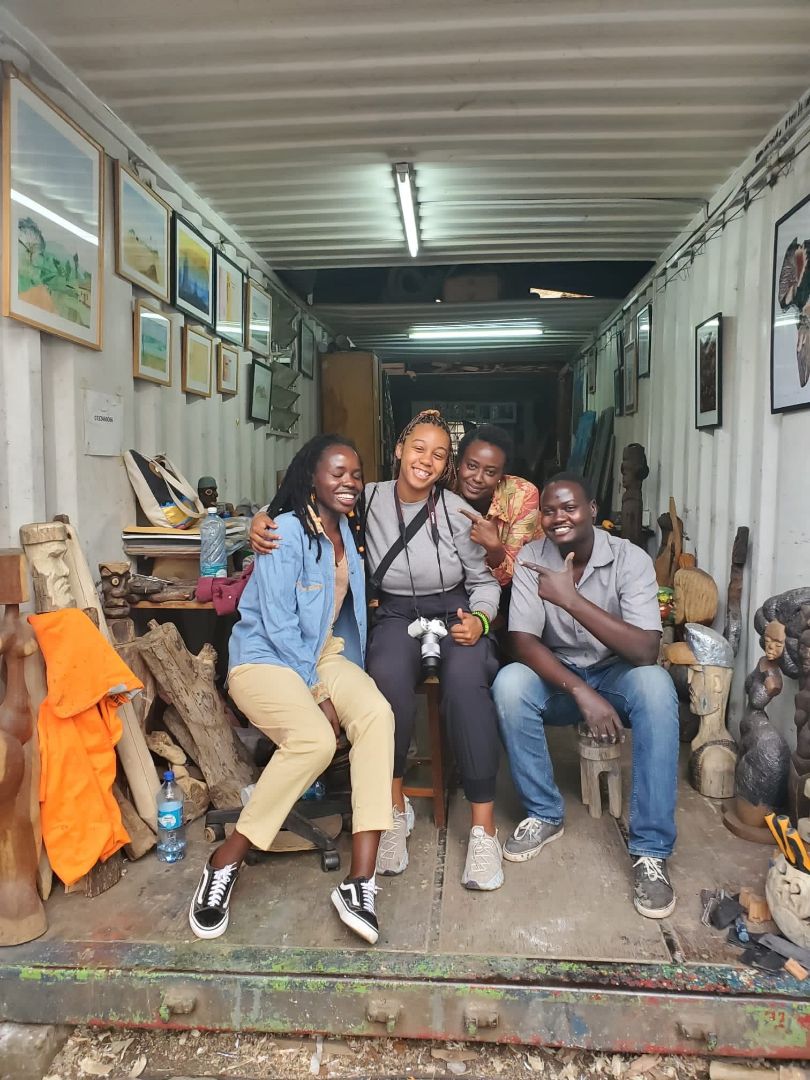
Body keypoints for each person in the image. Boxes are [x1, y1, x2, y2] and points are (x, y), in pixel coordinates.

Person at [250, 411, 504, 891]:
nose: (426, 461)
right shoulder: (364, 498)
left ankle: (483, 828)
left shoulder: (455, 511)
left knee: (466, 688)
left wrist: (480, 619)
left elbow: (484, 581)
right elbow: (301, 500)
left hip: (453, 612)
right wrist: (259, 520)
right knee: (384, 683)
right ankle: (391, 808)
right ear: (399, 451)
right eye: (418, 449)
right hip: (393, 614)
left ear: (446, 467)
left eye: (439, 455)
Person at [189, 435, 395, 945]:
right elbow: (280, 626)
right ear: (311, 477)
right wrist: (319, 694)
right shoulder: (282, 531)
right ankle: (225, 861)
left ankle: (360, 880)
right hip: (264, 659)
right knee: (315, 739)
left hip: (319, 653)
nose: (348, 482)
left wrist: (336, 684)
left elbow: (333, 620)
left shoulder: (349, 528)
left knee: (376, 713)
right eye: (337, 473)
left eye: (355, 473)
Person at [491, 471, 679, 919]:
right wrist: (577, 689)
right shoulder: (532, 558)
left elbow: (646, 650)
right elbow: (521, 641)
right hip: (562, 678)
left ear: (593, 509)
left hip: (619, 674)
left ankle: (650, 850)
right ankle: (544, 813)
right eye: (550, 510)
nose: (559, 518)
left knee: (657, 687)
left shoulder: (630, 559)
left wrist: (571, 599)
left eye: (570, 507)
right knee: (510, 683)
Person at [454, 424, 542, 588]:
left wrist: (494, 547)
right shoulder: (445, 490)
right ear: (459, 463)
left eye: (490, 472)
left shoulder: (522, 495)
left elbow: (512, 577)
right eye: (472, 466)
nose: (478, 478)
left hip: (524, 584)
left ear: (502, 475)